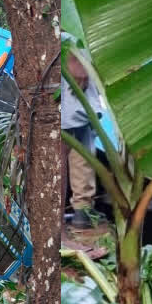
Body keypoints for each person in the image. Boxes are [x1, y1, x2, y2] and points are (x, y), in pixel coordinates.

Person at [61, 46, 103, 230]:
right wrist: (74, 60)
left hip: (77, 58)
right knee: (65, 143)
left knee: (82, 137)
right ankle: (70, 214)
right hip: (69, 59)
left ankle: (82, 210)